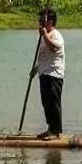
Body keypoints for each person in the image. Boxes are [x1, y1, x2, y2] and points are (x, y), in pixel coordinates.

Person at [29, 9, 65, 139]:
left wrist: (45, 35)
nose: (39, 24)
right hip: (44, 73)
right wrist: (36, 68)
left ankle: (56, 131)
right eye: (39, 21)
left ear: (49, 22)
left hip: (54, 74)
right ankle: (50, 129)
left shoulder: (56, 35)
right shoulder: (43, 36)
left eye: (41, 21)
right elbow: (44, 56)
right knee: (46, 103)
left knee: (53, 102)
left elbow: (54, 48)